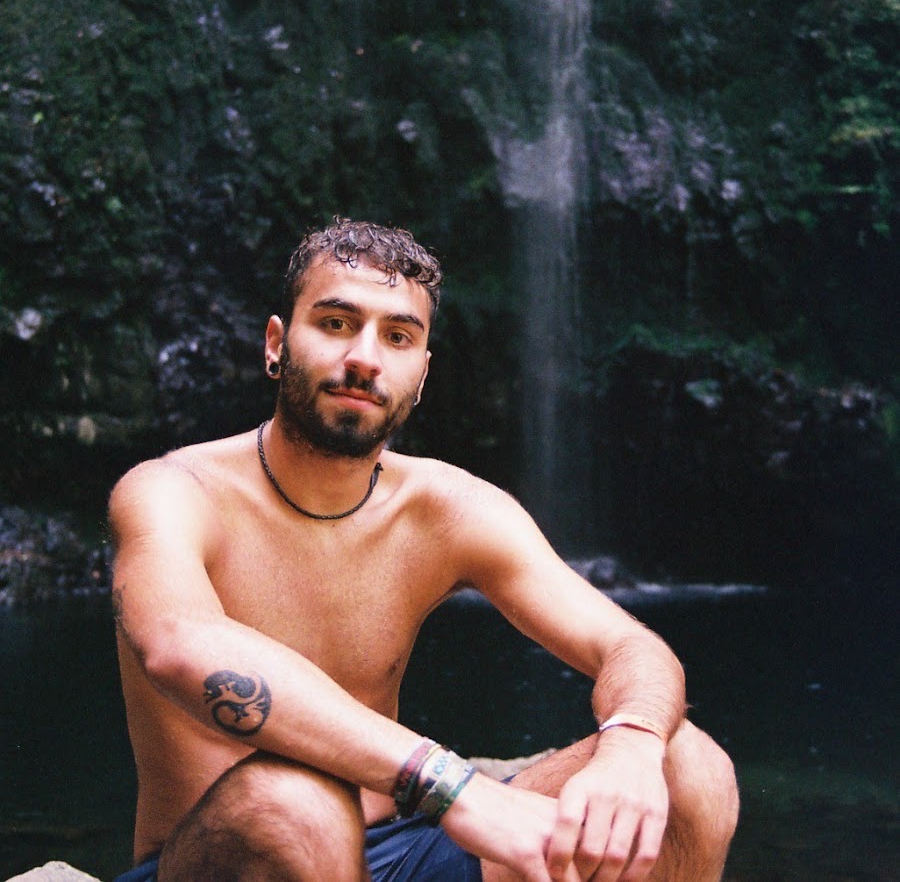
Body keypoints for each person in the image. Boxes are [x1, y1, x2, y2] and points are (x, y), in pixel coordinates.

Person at [109, 217, 738, 882]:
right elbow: (179, 643)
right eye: (336, 323)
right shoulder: (173, 492)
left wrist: (633, 742)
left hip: (404, 850)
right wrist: (450, 786)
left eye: (398, 337)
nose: (365, 358)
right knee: (295, 803)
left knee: (690, 765)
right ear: (276, 343)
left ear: (422, 373)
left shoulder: (447, 508)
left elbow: (631, 645)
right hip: (222, 858)